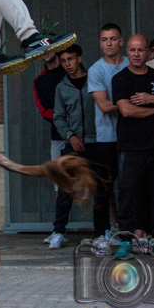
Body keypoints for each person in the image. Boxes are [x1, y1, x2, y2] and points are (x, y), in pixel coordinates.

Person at [112, 34, 154, 251]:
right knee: (128, 195)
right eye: (132, 50)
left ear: (148, 52)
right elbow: (127, 111)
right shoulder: (120, 79)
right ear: (127, 52)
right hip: (130, 147)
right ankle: (126, 242)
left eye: (140, 50)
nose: (136, 54)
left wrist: (152, 99)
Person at [51, 45, 113, 251]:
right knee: (66, 188)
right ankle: (58, 231)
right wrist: (71, 136)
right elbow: (58, 117)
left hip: (97, 142)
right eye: (63, 61)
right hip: (73, 144)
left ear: (79, 58)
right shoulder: (61, 87)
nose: (67, 64)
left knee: (100, 189)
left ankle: (100, 233)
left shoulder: (93, 80)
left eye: (70, 59)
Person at [87, 23, 129, 232]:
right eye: (105, 40)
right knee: (103, 188)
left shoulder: (131, 64)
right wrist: (128, 105)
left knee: (131, 188)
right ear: (100, 44)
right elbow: (103, 106)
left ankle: (131, 231)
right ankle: (101, 234)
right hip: (106, 138)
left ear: (121, 41)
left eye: (113, 39)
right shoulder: (96, 70)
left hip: (132, 137)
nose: (109, 43)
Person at [32, 51, 67, 247]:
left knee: (97, 182)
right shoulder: (40, 81)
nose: (45, 51)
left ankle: (108, 228)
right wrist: (64, 120)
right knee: (58, 185)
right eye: (41, 49)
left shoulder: (71, 71)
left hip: (86, 135)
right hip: (59, 136)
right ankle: (59, 230)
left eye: (48, 46)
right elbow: (44, 111)